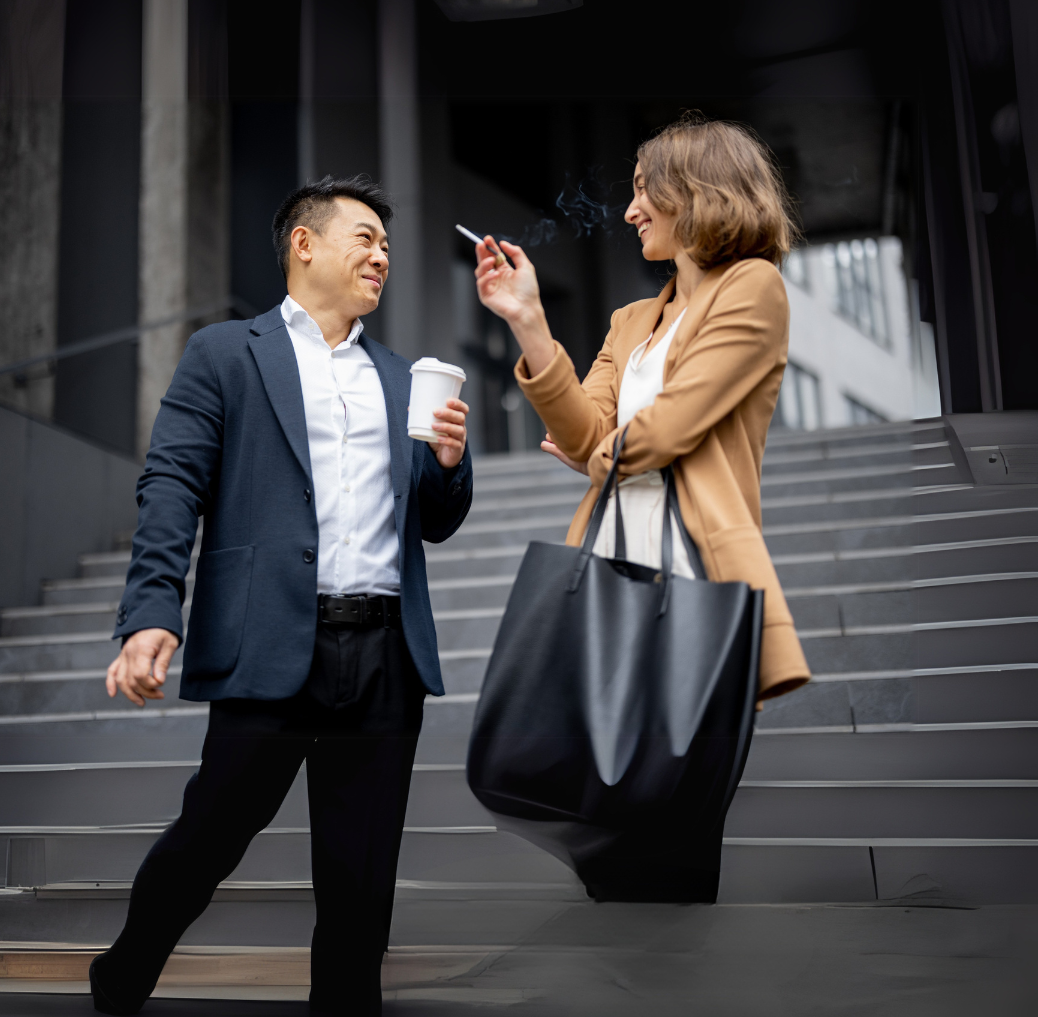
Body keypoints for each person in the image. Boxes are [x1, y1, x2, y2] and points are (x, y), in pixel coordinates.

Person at [89, 176, 473, 1016]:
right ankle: (122, 976)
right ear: (305, 244)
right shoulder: (227, 352)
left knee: (360, 879)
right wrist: (153, 612)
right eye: (364, 237)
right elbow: (171, 482)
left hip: (384, 655)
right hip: (271, 645)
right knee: (209, 840)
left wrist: (448, 464)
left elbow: (436, 522)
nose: (381, 255)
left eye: (385, 245)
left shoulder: (407, 376)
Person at [473, 114, 810, 899]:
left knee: (675, 812)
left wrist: (603, 453)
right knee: (603, 803)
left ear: (696, 191)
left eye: (643, 190)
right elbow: (587, 424)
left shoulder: (753, 287)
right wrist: (528, 321)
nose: (630, 211)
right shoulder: (631, 321)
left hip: (698, 579)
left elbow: (668, 426)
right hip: (614, 562)